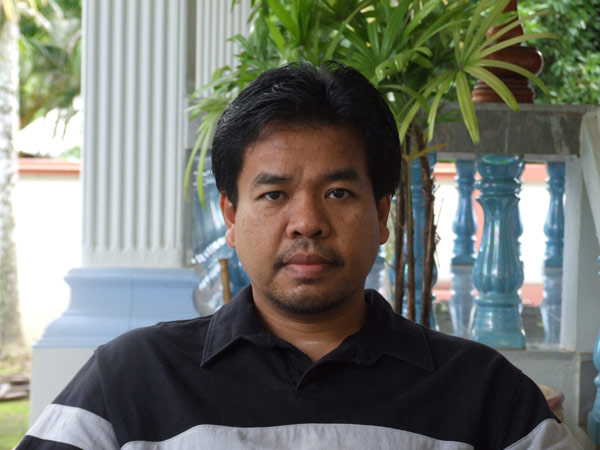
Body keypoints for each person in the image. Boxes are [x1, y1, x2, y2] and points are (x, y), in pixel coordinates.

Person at [18, 62, 579, 449]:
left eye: (338, 192)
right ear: (231, 216)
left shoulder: (482, 394)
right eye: (274, 194)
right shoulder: (133, 378)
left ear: (382, 214)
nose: (307, 221)